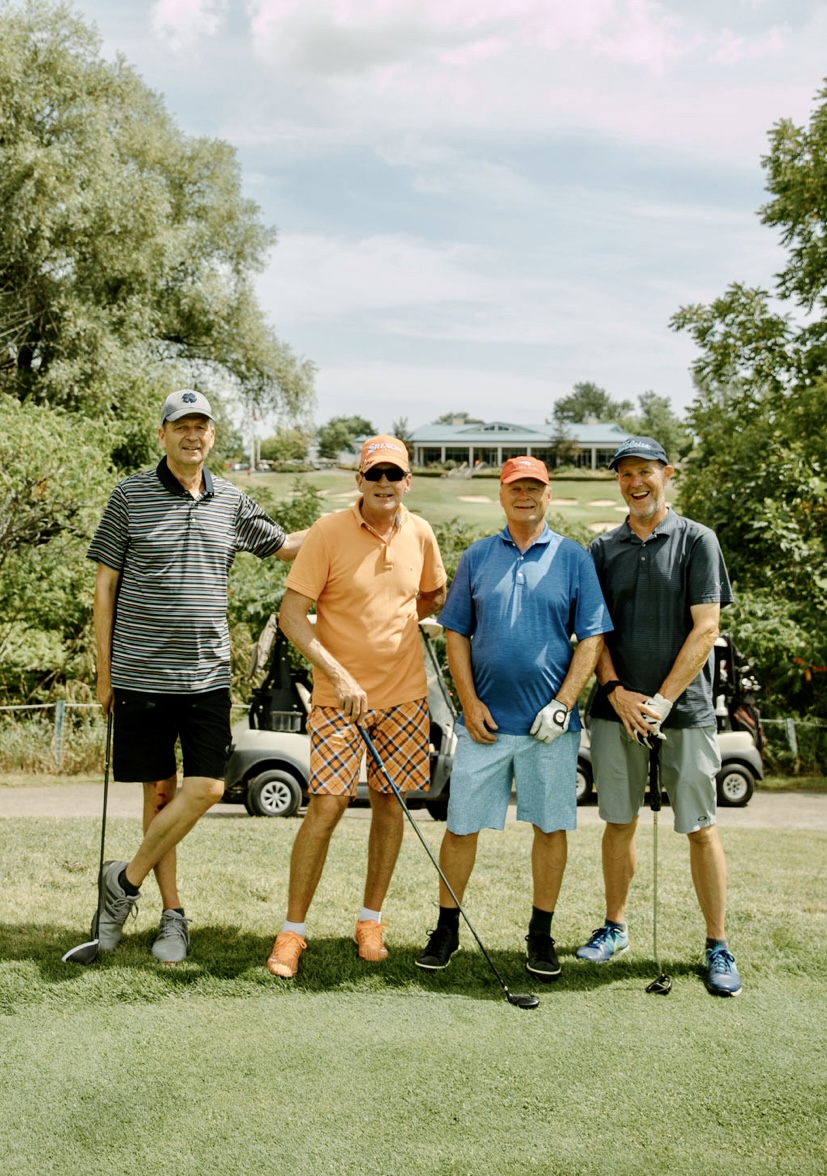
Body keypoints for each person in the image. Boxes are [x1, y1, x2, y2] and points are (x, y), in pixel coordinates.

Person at [87, 389, 305, 963]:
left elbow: (284, 546)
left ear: (211, 436)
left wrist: (352, 520)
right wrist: (105, 675)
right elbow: (105, 587)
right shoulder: (129, 495)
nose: (191, 435)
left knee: (207, 787)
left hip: (206, 676)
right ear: (162, 435)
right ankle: (172, 915)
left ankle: (122, 880)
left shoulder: (230, 500)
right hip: (139, 674)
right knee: (159, 796)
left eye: (200, 426)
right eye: (180, 425)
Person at [415, 456, 613, 979]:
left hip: (549, 729)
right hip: (484, 724)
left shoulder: (573, 558)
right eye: (515, 488)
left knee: (549, 828)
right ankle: (447, 931)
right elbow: (456, 631)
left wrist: (564, 702)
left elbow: (592, 636)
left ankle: (540, 937)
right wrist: (468, 701)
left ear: (548, 495)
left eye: (534, 488)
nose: (524, 495)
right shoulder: (479, 555)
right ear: (502, 495)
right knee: (461, 827)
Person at [266, 435, 447, 979]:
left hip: (405, 696)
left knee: (392, 804)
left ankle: (370, 921)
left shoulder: (421, 533)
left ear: (407, 481)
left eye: (394, 475)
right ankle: (292, 931)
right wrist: (340, 674)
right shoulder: (327, 533)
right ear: (360, 481)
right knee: (327, 805)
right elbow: (291, 616)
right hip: (337, 699)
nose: (384, 484)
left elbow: (433, 595)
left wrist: (402, 623)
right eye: (375, 475)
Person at [575, 435, 743, 996]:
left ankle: (717, 944)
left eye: (645, 471)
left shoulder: (698, 540)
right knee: (618, 821)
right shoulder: (602, 548)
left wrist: (663, 701)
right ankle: (615, 928)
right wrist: (616, 691)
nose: (635, 483)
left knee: (700, 826)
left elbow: (707, 628)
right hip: (616, 710)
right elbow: (594, 632)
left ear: (666, 474)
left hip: (685, 711)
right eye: (625, 474)